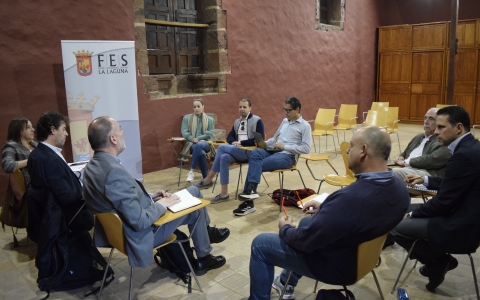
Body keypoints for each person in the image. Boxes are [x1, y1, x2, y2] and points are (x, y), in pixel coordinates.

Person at [247, 126, 410, 300]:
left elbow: (305, 241)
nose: (347, 150)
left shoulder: (351, 199)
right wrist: (327, 208)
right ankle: (286, 282)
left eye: (351, 146)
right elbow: (359, 213)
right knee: (304, 223)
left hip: (338, 266)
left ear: (363, 151)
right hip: (364, 258)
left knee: (261, 244)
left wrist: (285, 228)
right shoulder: (400, 187)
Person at [82, 116, 228, 273]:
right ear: (113, 139)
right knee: (196, 208)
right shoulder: (113, 172)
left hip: (125, 227)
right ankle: (204, 259)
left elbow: (119, 199)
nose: (123, 133)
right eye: (120, 129)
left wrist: (151, 197)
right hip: (140, 235)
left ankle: (207, 232)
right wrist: (161, 204)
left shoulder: (93, 166)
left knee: (194, 191)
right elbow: (138, 220)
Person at [391, 106, 480, 292]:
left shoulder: (463, 155)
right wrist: (425, 179)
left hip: (461, 225)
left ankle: (439, 260)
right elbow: (456, 184)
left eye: (440, 127)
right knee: (397, 211)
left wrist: (414, 214)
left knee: (393, 223)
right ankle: (438, 261)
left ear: (458, 128)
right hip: (463, 214)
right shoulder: (471, 147)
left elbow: (444, 202)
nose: (436, 131)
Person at [27, 111, 93, 281]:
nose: (66, 133)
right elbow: (66, 197)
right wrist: (87, 188)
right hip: (66, 216)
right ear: (52, 130)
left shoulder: (37, 154)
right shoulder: (49, 159)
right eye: (63, 129)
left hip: (48, 216)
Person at [233, 96, 311, 216]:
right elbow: (274, 138)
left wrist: (284, 147)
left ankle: (248, 202)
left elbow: (306, 148)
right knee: (255, 153)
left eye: (288, 110)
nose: (286, 113)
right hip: (274, 150)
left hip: (287, 156)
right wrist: (263, 143)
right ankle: (251, 191)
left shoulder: (305, 126)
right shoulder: (285, 121)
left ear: (297, 109)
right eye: (284, 110)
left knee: (257, 164)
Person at [194, 98, 265, 203]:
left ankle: (209, 178)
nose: (242, 109)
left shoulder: (257, 120)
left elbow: (260, 139)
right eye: (240, 107)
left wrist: (242, 143)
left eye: (244, 107)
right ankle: (224, 193)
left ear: (250, 108)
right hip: (237, 150)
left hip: (250, 152)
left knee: (222, 148)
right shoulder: (237, 121)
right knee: (223, 157)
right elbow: (230, 137)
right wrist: (234, 143)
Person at [391, 107, 451, 179]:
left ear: (439, 123)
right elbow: (405, 152)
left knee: (391, 173)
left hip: (425, 172)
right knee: (379, 168)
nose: (426, 121)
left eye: (431, 119)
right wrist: (400, 157)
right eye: (425, 118)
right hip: (407, 168)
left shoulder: (443, 140)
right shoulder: (418, 137)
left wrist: (406, 162)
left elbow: (431, 160)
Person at [1, 118, 37, 231]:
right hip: (30, 188)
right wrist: (31, 160)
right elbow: (7, 166)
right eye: (29, 127)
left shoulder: (34, 144)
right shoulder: (11, 147)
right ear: (20, 131)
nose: (33, 130)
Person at [179, 99, 214, 182]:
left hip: (205, 143)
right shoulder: (186, 118)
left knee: (199, 145)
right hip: (192, 144)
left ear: (203, 107)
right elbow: (184, 132)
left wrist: (199, 138)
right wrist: (192, 138)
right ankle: (206, 178)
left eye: (198, 106)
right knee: (201, 153)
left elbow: (210, 134)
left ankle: (192, 170)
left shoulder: (210, 119)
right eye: (194, 107)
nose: (196, 109)